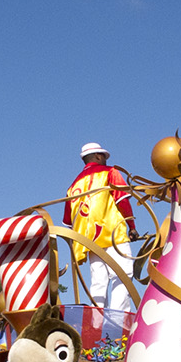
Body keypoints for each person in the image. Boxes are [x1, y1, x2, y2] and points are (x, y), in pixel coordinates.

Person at [63, 141, 138, 334]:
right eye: (104, 156)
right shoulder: (109, 173)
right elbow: (122, 200)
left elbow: (68, 222)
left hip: (88, 242)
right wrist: (132, 226)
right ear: (98, 156)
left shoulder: (73, 187)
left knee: (98, 282)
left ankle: (96, 325)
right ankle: (118, 325)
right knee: (122, 276)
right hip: (113, 233)